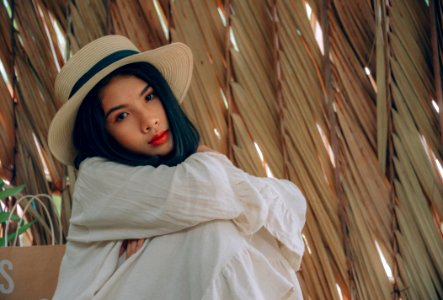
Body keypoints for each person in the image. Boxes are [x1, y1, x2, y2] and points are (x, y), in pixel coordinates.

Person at [48, 35, 307, 300]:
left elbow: (292, 200)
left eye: (149, 97)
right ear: (100, 134)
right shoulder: (96, 178)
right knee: (214, 232)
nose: (148, 121)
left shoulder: (175, 173)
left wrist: (164, 224)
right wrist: (206, 161)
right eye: (121, 116)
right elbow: (213, 190)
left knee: (224, 226)